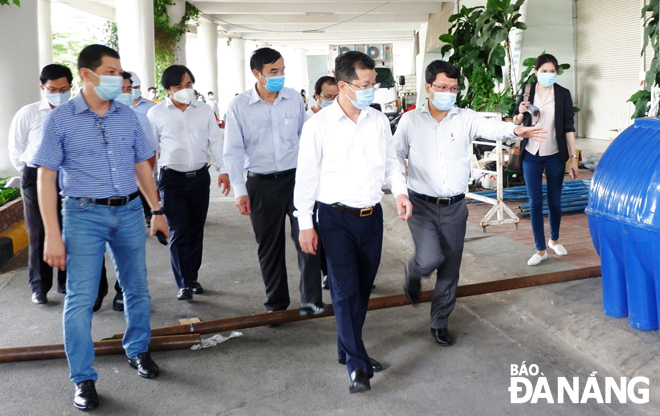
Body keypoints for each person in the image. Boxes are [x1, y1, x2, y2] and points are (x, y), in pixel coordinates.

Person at [32, 44, 168, 410]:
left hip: (127, 212)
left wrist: (156, 209)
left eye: (119, 72)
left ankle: (138, 350)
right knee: (80, 299)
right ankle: (83, 378)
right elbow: (46, 179)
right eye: (110, 72)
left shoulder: (127, 117)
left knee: (137, 288)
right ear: (87, 75)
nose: (117, 78)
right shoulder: (60, 120)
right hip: (82, 213)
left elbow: (142, 165)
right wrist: (52, 234)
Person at [396, 60, 546, 347]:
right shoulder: (410, 121)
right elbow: (394, 157)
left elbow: (490, 127)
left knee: (450, 268)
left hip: (454, 206)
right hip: (421, 204)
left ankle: (439, 322)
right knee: (429, 258)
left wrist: (516, 131)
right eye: (442, 87)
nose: (448, 93)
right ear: (428, 88)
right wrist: (400, 191)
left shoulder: (465, 117)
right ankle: (415, 270)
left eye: (453, 88)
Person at [295, 51, 413, 393]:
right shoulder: (318, 126)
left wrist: (401, 192)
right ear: (343, 86)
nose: (371, 90)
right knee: (344, 291)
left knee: (361, 290)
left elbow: (392, 164)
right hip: (334, 218)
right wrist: (305, 223)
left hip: (371, 217)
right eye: (364, 84)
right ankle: (357, 366)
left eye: (372, 83)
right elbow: (305, 178)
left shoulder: (376, 120)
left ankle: (348, 350)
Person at [224, 47, 327, 317]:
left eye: (282, 70)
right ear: (257, 74)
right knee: (269, 246)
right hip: (260, 184)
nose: (280, 76)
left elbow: (306, 140)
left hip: (295, 180)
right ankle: (277, 304)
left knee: (308, 238)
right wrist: (239, 191)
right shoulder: (239, 107)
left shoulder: (293, 99)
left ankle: (311, 300)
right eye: (273, 71)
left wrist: (315, 182)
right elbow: (233, 151)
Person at [7, 64, 108, 308]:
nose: (58, 94)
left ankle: (67, 282)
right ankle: (40, 287)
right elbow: (15, 148)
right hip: (36, 176)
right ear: (43, 88)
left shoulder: (79, 112)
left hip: (71, 176)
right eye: (52, 89)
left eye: (64, 89)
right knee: (39, 232)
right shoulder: (28, 113)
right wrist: (29, 172)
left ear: (71, 87)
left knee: (71, 231)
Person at [147, 65, 230, 301]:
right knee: (179, 232)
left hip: (199, 178)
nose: (185, 90)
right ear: (167, 90)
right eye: (178, 87)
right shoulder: (157, 114)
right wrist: (152, 185)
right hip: (172, 180)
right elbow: (152, 150)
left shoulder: (203, 111)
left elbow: (215, 141)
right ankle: (183, 283)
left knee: (195, 231)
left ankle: (192, 277)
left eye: (188, 85)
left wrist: (223, 171)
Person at [513, 53, 579, 266]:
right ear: (536, 72)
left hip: (554, 155)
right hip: (531, 154)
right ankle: (540, 250)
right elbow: (515, 121)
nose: (548, 75)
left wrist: (573, 158)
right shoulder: (527, 92)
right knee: (535, 202)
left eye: (552, 71)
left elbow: (569, 127)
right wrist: (521, 113)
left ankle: (554, 239)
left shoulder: (562, 94)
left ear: (556, 72)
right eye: (544, 71)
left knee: (555, 201)